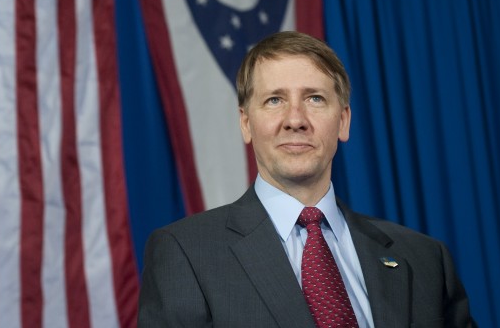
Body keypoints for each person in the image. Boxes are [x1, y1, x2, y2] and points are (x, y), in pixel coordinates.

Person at [137, 31, 475, 327]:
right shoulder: (186, 254)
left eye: (315, 98)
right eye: (274, 100)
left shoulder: (425, 258)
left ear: (343, 122)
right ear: (245, 123)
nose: (295, 119)